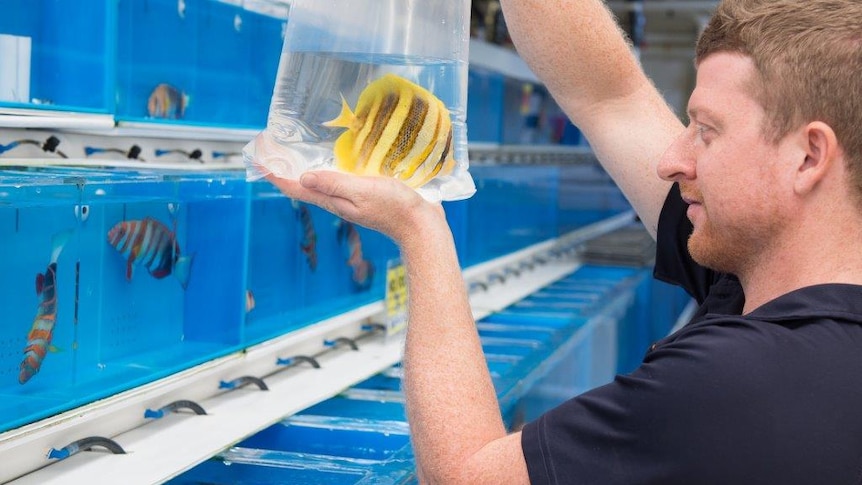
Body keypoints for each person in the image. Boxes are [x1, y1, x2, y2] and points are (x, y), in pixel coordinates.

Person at [265, 0, 862, 483]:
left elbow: (464, 478)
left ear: (809, 156)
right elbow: (610, 95)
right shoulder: (773, 271)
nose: (672, 160)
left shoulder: (747, 383)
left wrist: (420, 229)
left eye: (705, 131)